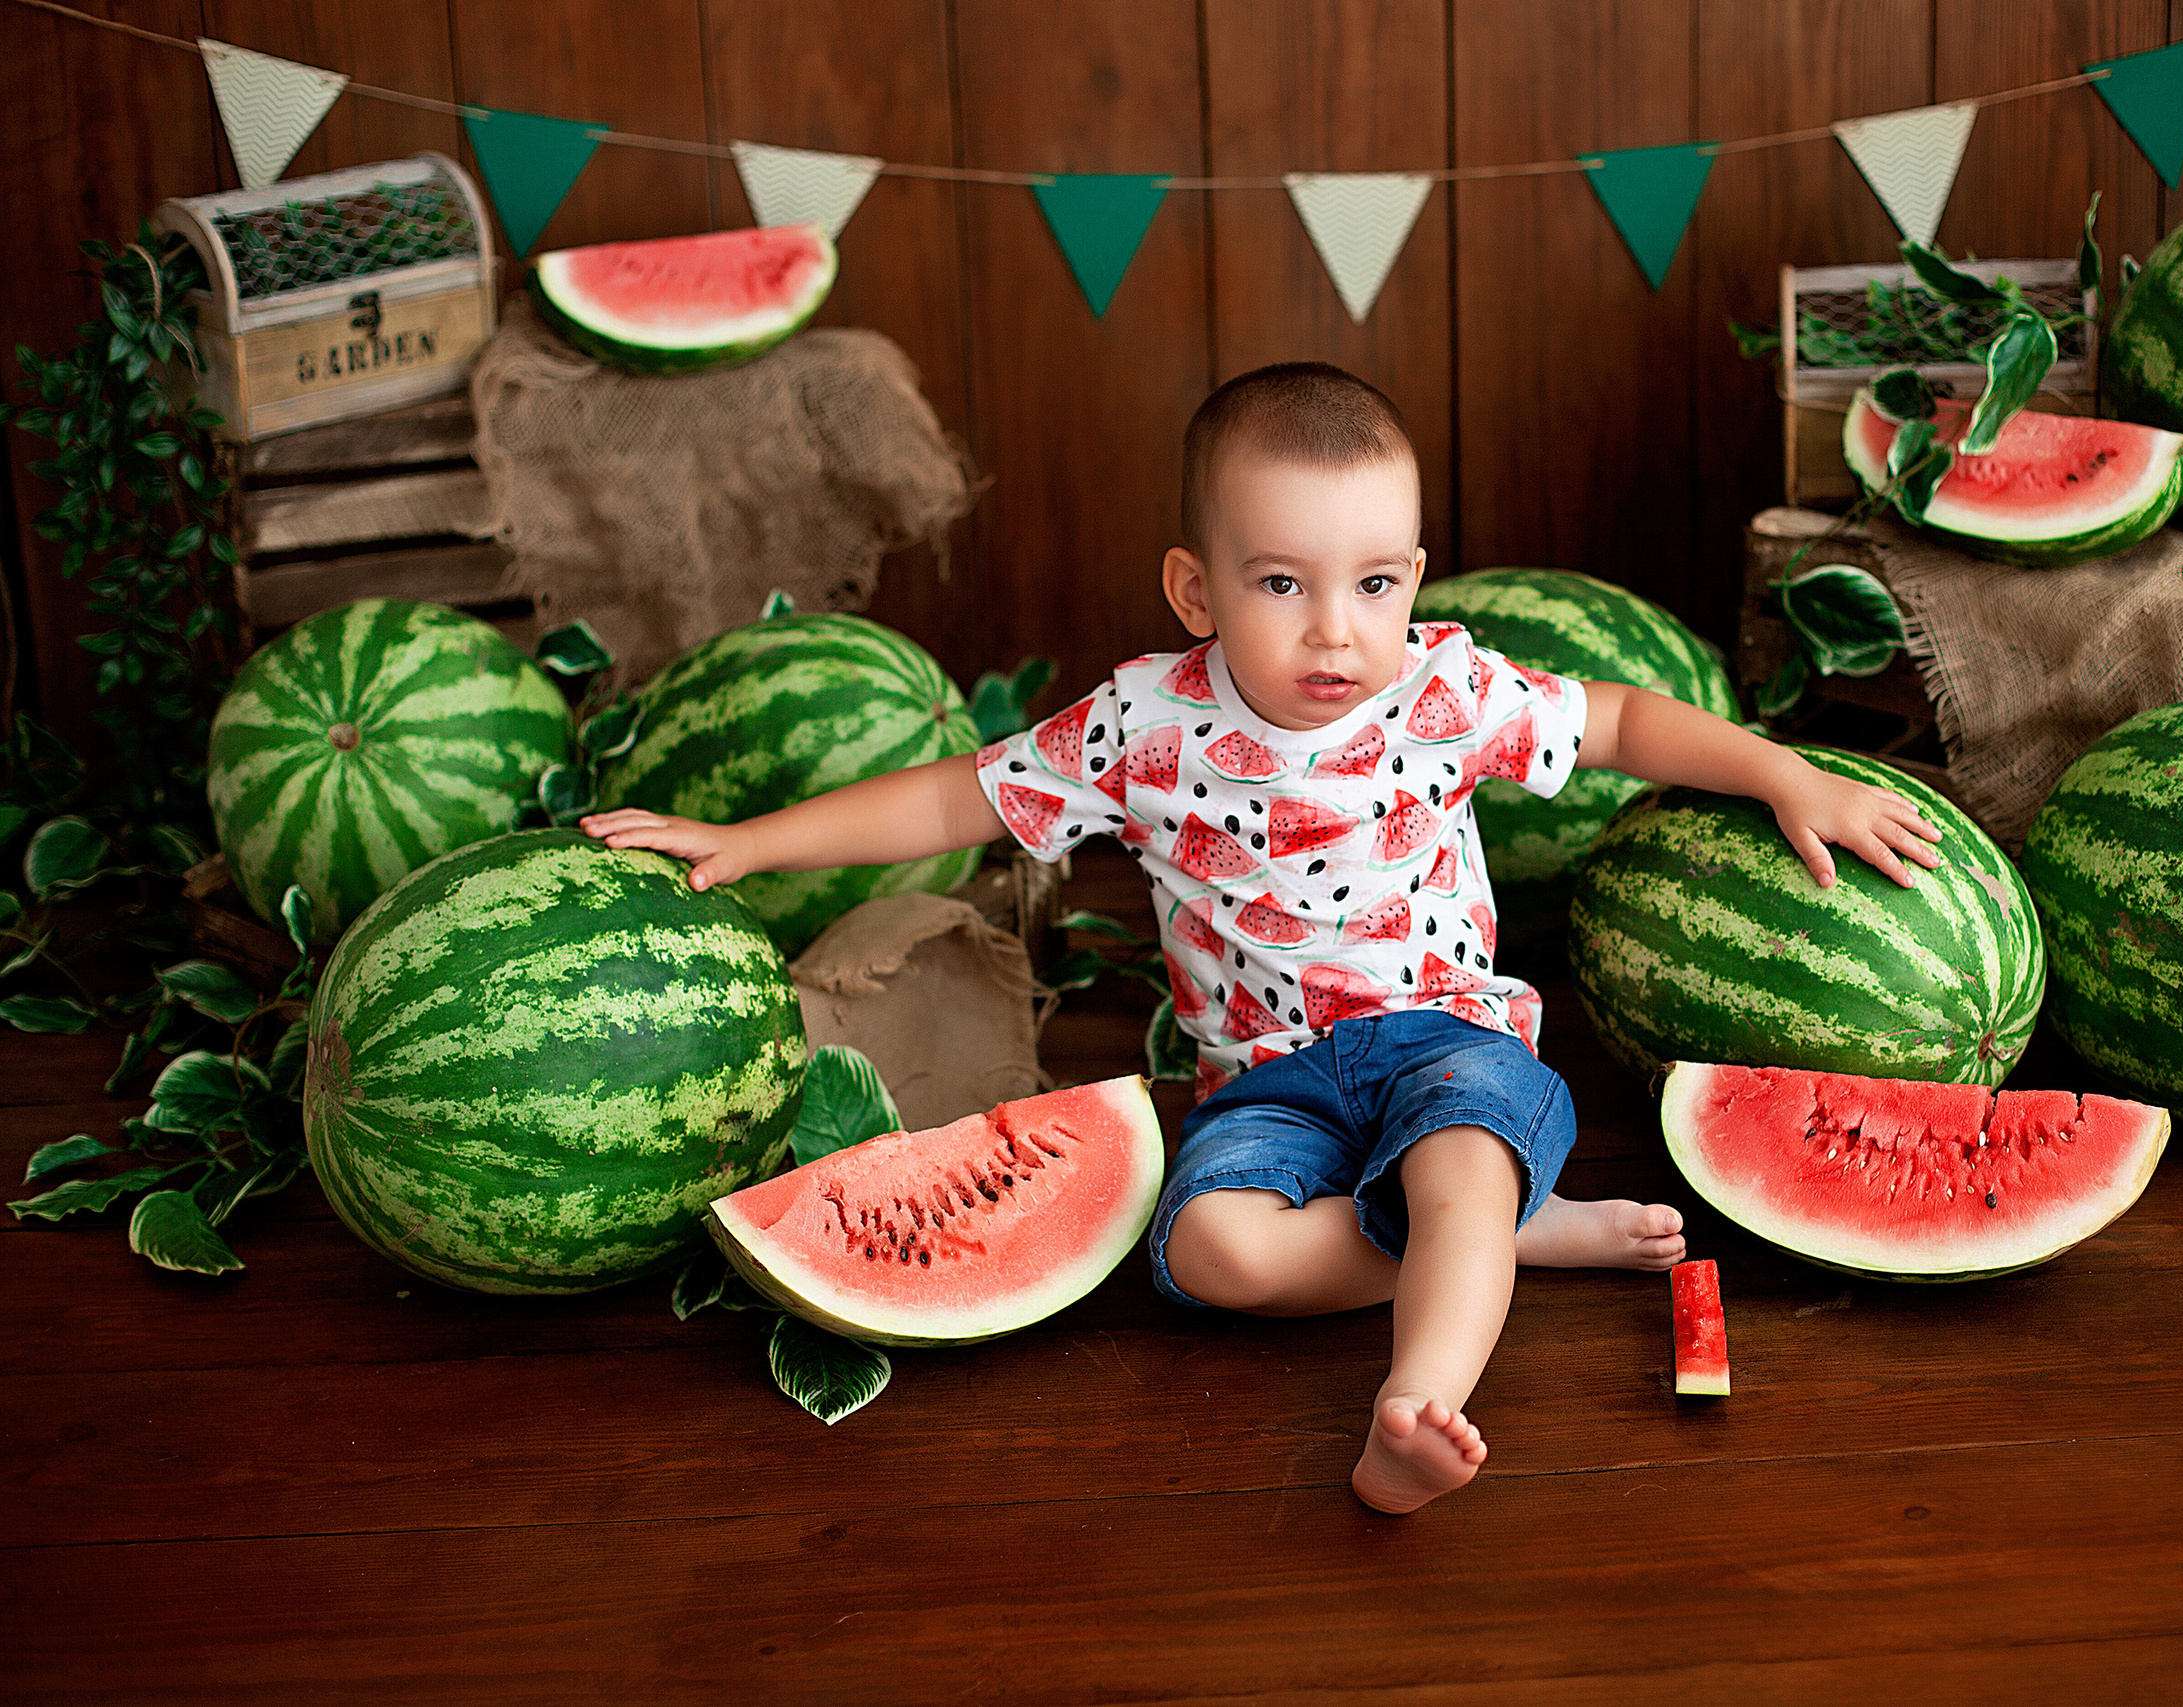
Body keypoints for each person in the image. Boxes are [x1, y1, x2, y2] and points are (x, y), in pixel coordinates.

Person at [580, 362, 1941, 1514]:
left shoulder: (1449, 690)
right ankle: (1503, 1240)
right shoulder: (1141, 726)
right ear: (1196, 589)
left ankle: (1415, 1402)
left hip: (1446, 1041)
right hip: (1265, 1081)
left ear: (1414, 576)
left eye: (1373, 584)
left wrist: (1783, 772)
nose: (1336, 631)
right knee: (1211, 1253)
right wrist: (751, 843)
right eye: (1282, 582)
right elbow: (960, 794)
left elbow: (1627, 724)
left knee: (1461, 1159)